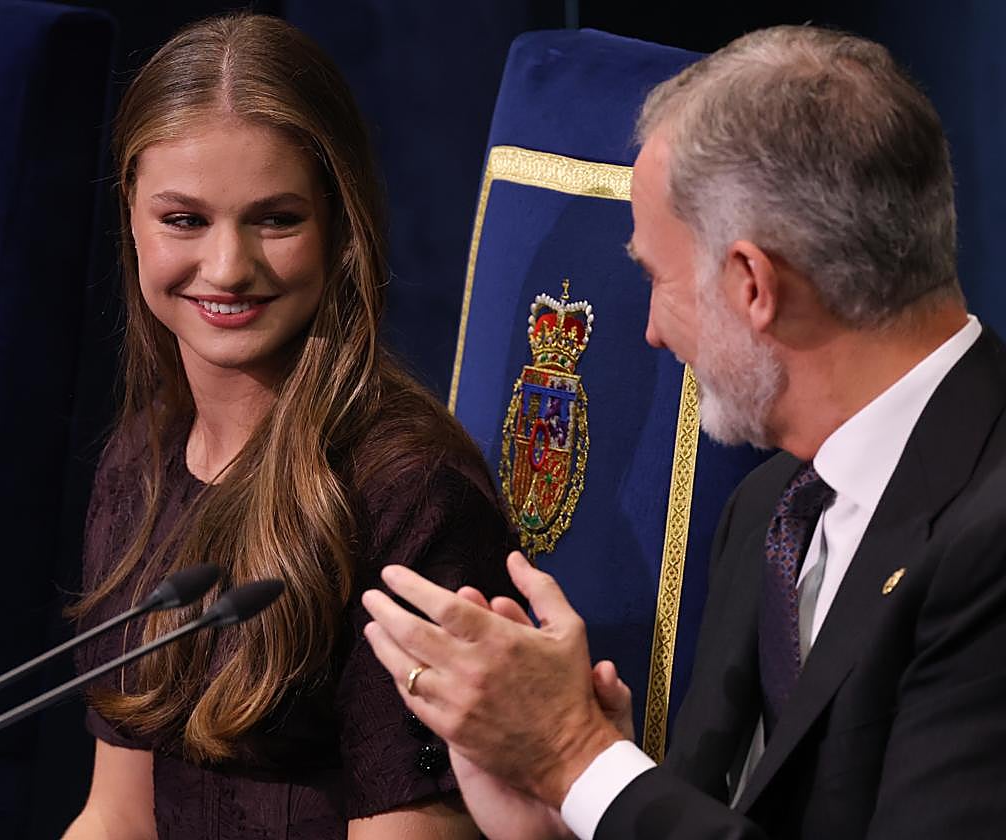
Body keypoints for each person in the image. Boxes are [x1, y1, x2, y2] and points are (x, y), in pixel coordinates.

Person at [362, 24, 1006, 839]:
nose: (654, 336)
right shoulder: (772, 512)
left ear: (750, 284)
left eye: (656, 280)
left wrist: (577, 755)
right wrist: (563, 816)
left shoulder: (990, 539)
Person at [63, 13, 518, 840]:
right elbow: (116, 817)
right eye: (184, 220)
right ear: (129, 213)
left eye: (276, 218)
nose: (230, 266)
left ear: (341, 225)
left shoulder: (415, 499)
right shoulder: (142, 457)